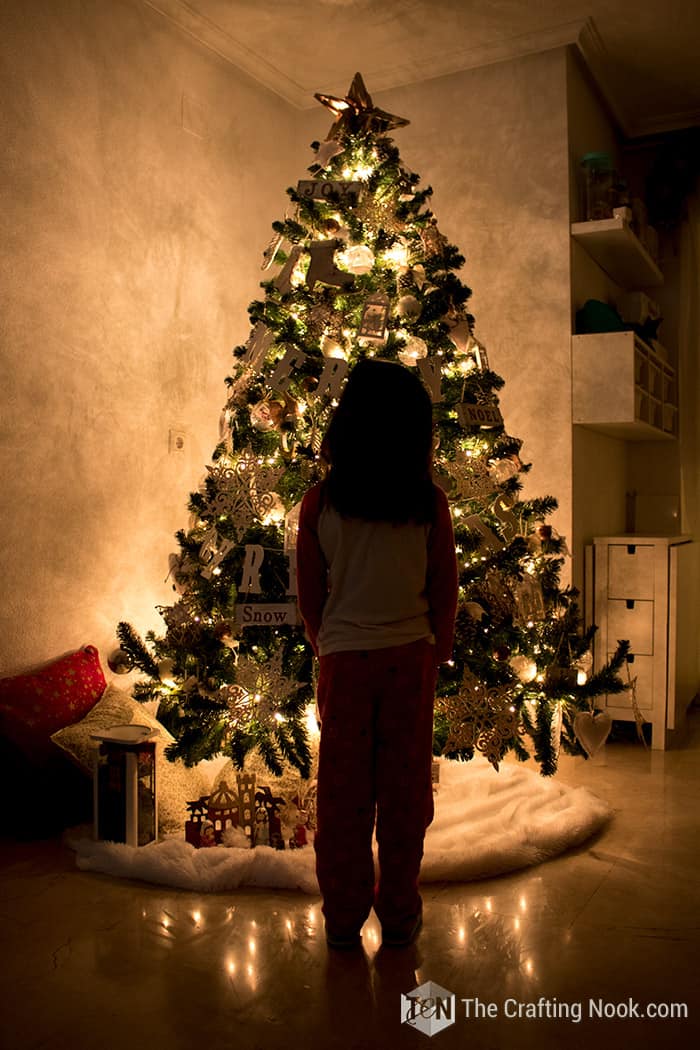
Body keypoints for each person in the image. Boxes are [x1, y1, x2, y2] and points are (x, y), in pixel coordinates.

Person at [296, 358, 458, 950]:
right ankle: (398, 911)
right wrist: (439, 646)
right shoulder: (427, 502)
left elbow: (310, 589)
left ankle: (343, 916)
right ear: (415, 433)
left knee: (342, 792)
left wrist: (325, 640)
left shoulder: (320, 503)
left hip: (344, 662)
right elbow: (445, 585)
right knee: (405, 790)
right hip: (410, 659)